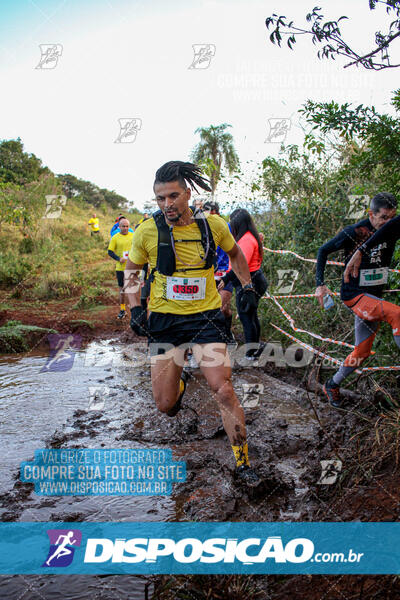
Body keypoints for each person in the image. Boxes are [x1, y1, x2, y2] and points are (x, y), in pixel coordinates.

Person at [124, 161, 260, 485]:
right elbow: (131, 270)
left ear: (187, 194)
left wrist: (248, 287)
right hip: (165, 322)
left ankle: (243, 464)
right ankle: (180, 385)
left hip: (206, 318)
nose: (167, 204)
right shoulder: (147, 231)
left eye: (173, 196)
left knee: (223, 390)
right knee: (165, 404)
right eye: (160, 198)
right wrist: (134, 309)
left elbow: (237, 255)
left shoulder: (213, 226)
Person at [315, 192, 398, 407]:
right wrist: (320, 285)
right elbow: (323, 251)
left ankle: (331, 384)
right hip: (355, 296)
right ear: (371, 214)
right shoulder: (355, 232)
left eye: (392, 217)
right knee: (397, 314)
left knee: (362, 352)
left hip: (374, 297)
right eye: (383, 218)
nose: (388, 223)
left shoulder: (393, 229)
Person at [219, 209, 268, 359]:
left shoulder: (246, 240)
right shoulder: (251, 236)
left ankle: (250, 353)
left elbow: (241, 264)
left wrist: (226, 279)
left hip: (248, 282)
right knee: (251, 315)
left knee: (246, 317)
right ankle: (254, 350)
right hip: (252, 280)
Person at [203, 201, 235, 344]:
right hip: (207, 274)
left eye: (211, 214)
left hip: (224, 273)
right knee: (206, 309)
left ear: (217, 213)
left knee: (223, 308)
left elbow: (237, 250)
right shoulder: (200, 229)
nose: (208, 217)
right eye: (205, 214)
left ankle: (227, 334)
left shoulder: (226, 227)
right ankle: (212, 338)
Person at [108, 217, 134, 319]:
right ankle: (122, 310)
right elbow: (110, 252)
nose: (125, 228)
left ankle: (134, 310)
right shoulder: (115, 237)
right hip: (120, 268)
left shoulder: (133, 236)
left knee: (132, 290)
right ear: (119, 227)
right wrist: (119, 258)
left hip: (132, 267)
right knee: (122, 290)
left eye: (127, 226)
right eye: (123, 226)